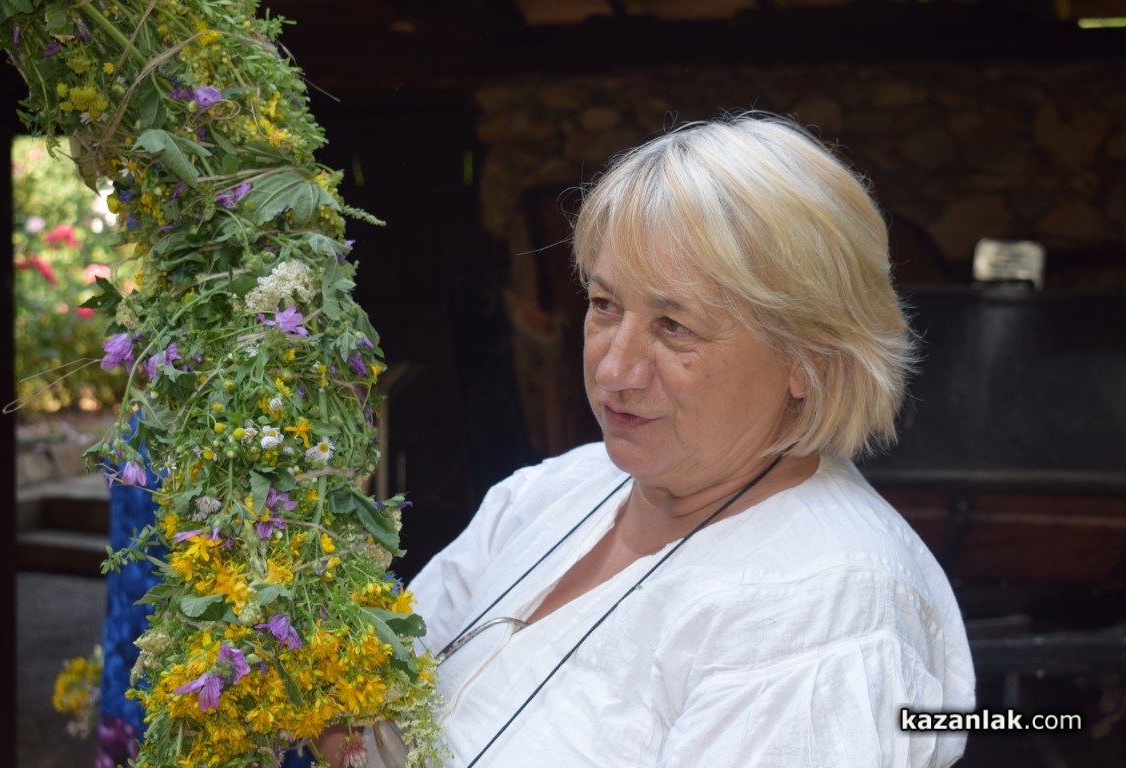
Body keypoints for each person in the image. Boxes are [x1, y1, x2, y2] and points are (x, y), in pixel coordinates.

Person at [321, 112, 975, 767]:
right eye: (605, 305)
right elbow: (373, 709)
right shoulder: (551, 493)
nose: (613, 370)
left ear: (813, 356)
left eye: (674, 326)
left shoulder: (823, 610)